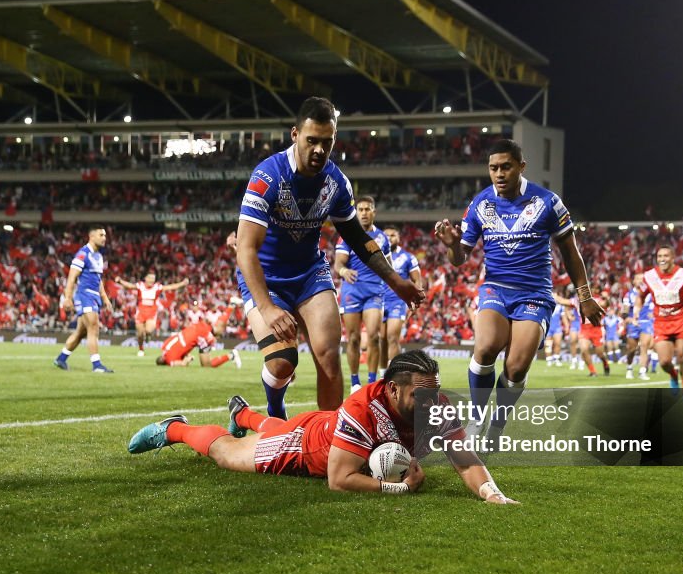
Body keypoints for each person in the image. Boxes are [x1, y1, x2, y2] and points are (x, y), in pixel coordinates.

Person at [235, 96, 424, 419]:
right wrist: (267, 307)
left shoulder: (336, 183)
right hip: (266, 279)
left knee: (328, 358)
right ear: (295, 135)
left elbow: (357, 238)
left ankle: (332, 443)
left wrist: (396, 281)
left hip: (310, 275)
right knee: (282, 362)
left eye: (327, 142)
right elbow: (245, 248)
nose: (320, 150)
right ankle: (275, 409)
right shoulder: (267, 176)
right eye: (312, 141)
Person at [127, 350, 517, 503]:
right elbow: (339, 479)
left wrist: (491, 493)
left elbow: (466, 462)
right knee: (228, 454)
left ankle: (244, 414)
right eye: (420, 396)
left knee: (271, 427)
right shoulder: (364, 407)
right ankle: (175, 429)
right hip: (307, 447)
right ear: (393, 389)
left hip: (326, 428)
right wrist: (401, 486)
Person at [433, 139, 603, 443]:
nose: (499, 173)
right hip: (495, 289)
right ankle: (476, 419)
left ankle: (497, 426)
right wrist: (450, 246)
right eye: (493, 168)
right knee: (485, 348)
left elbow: (570, 251)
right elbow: (460, 259)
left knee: (516, 366)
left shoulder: (547, 202)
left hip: (535, 295)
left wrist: (585, 296)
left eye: (506, 167)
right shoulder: (480, 205)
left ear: (521, 167)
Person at [634, 245, 683, 402]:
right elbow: (640, 296)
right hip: (662, 323)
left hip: (682, 320)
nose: (662, 259)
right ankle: (673, 374)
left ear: (673, 258)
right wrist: (637, 309)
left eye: (666, 256)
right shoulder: (649, 276)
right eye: (659, 256)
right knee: (664, 362)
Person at [335, 196, 389, 393]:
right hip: (352, 291)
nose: (364, 213)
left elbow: (388, 266)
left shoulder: (382, 238)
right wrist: (343, 272)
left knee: (374, 336)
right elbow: (338, 263)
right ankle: (355, 382)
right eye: (361, 209)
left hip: (375, 291)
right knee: (354, 338)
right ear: (356, 212)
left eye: (368, 209)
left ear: (374, 212)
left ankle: (373, 381)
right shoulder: (347, 235)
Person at [54, 225, 115, 373]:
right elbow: (71, 277)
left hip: (94, 296)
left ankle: (61, 359)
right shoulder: (83, 254)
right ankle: (97, 365)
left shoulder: (99, 256)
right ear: (92, 236)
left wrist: (105, 298)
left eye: (105, 235)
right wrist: (68, 298)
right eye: (101, 235)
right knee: (94, 327)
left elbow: (98, 279)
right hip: (84, 295)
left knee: (81, 332)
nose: (104, 238)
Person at [377, 226, 423, 377]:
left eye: (393, 235)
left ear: (399, 238)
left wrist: (417, 298)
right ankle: (383, 373)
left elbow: (417, 279)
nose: (389, 238)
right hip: (379, 298)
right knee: (382, 339)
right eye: (387, 236)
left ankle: (394, 374)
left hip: (397, 300)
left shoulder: (408, 257)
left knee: (392, 337)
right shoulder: (376, 255)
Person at [115, 272, 189, 356]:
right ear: (145, 278)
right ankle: (141, 349)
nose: (151, 280)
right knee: (140, 333)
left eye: (153, 278)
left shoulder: (157, 287)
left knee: (148, 330)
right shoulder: (140, 286)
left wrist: (182, 283)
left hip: (152, 312)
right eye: (150, 278)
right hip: (141, 311)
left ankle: (148, 336)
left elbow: (170, 287)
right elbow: (130, 286)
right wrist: (120, 281)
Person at [156, 311, 241, 369]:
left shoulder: (170, 360)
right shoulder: (165, 345)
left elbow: (183, 364)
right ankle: (230, 309)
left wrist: (188, 359)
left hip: (200, 336)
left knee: (207, 365)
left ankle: (231, 355)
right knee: (217, 329)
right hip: (196, 327)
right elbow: (180, 345)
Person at [623, 272, 655, 380]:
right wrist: (629, 319)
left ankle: (642, 372)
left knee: (644, 346)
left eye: (643, 279)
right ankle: (629, 368)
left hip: (646, 322)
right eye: (638, 278)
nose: (641, 281)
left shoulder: (651, 294)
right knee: (631, 349)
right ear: (633, 281)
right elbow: (625, 312)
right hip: (634, 323)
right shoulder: (629, 294)